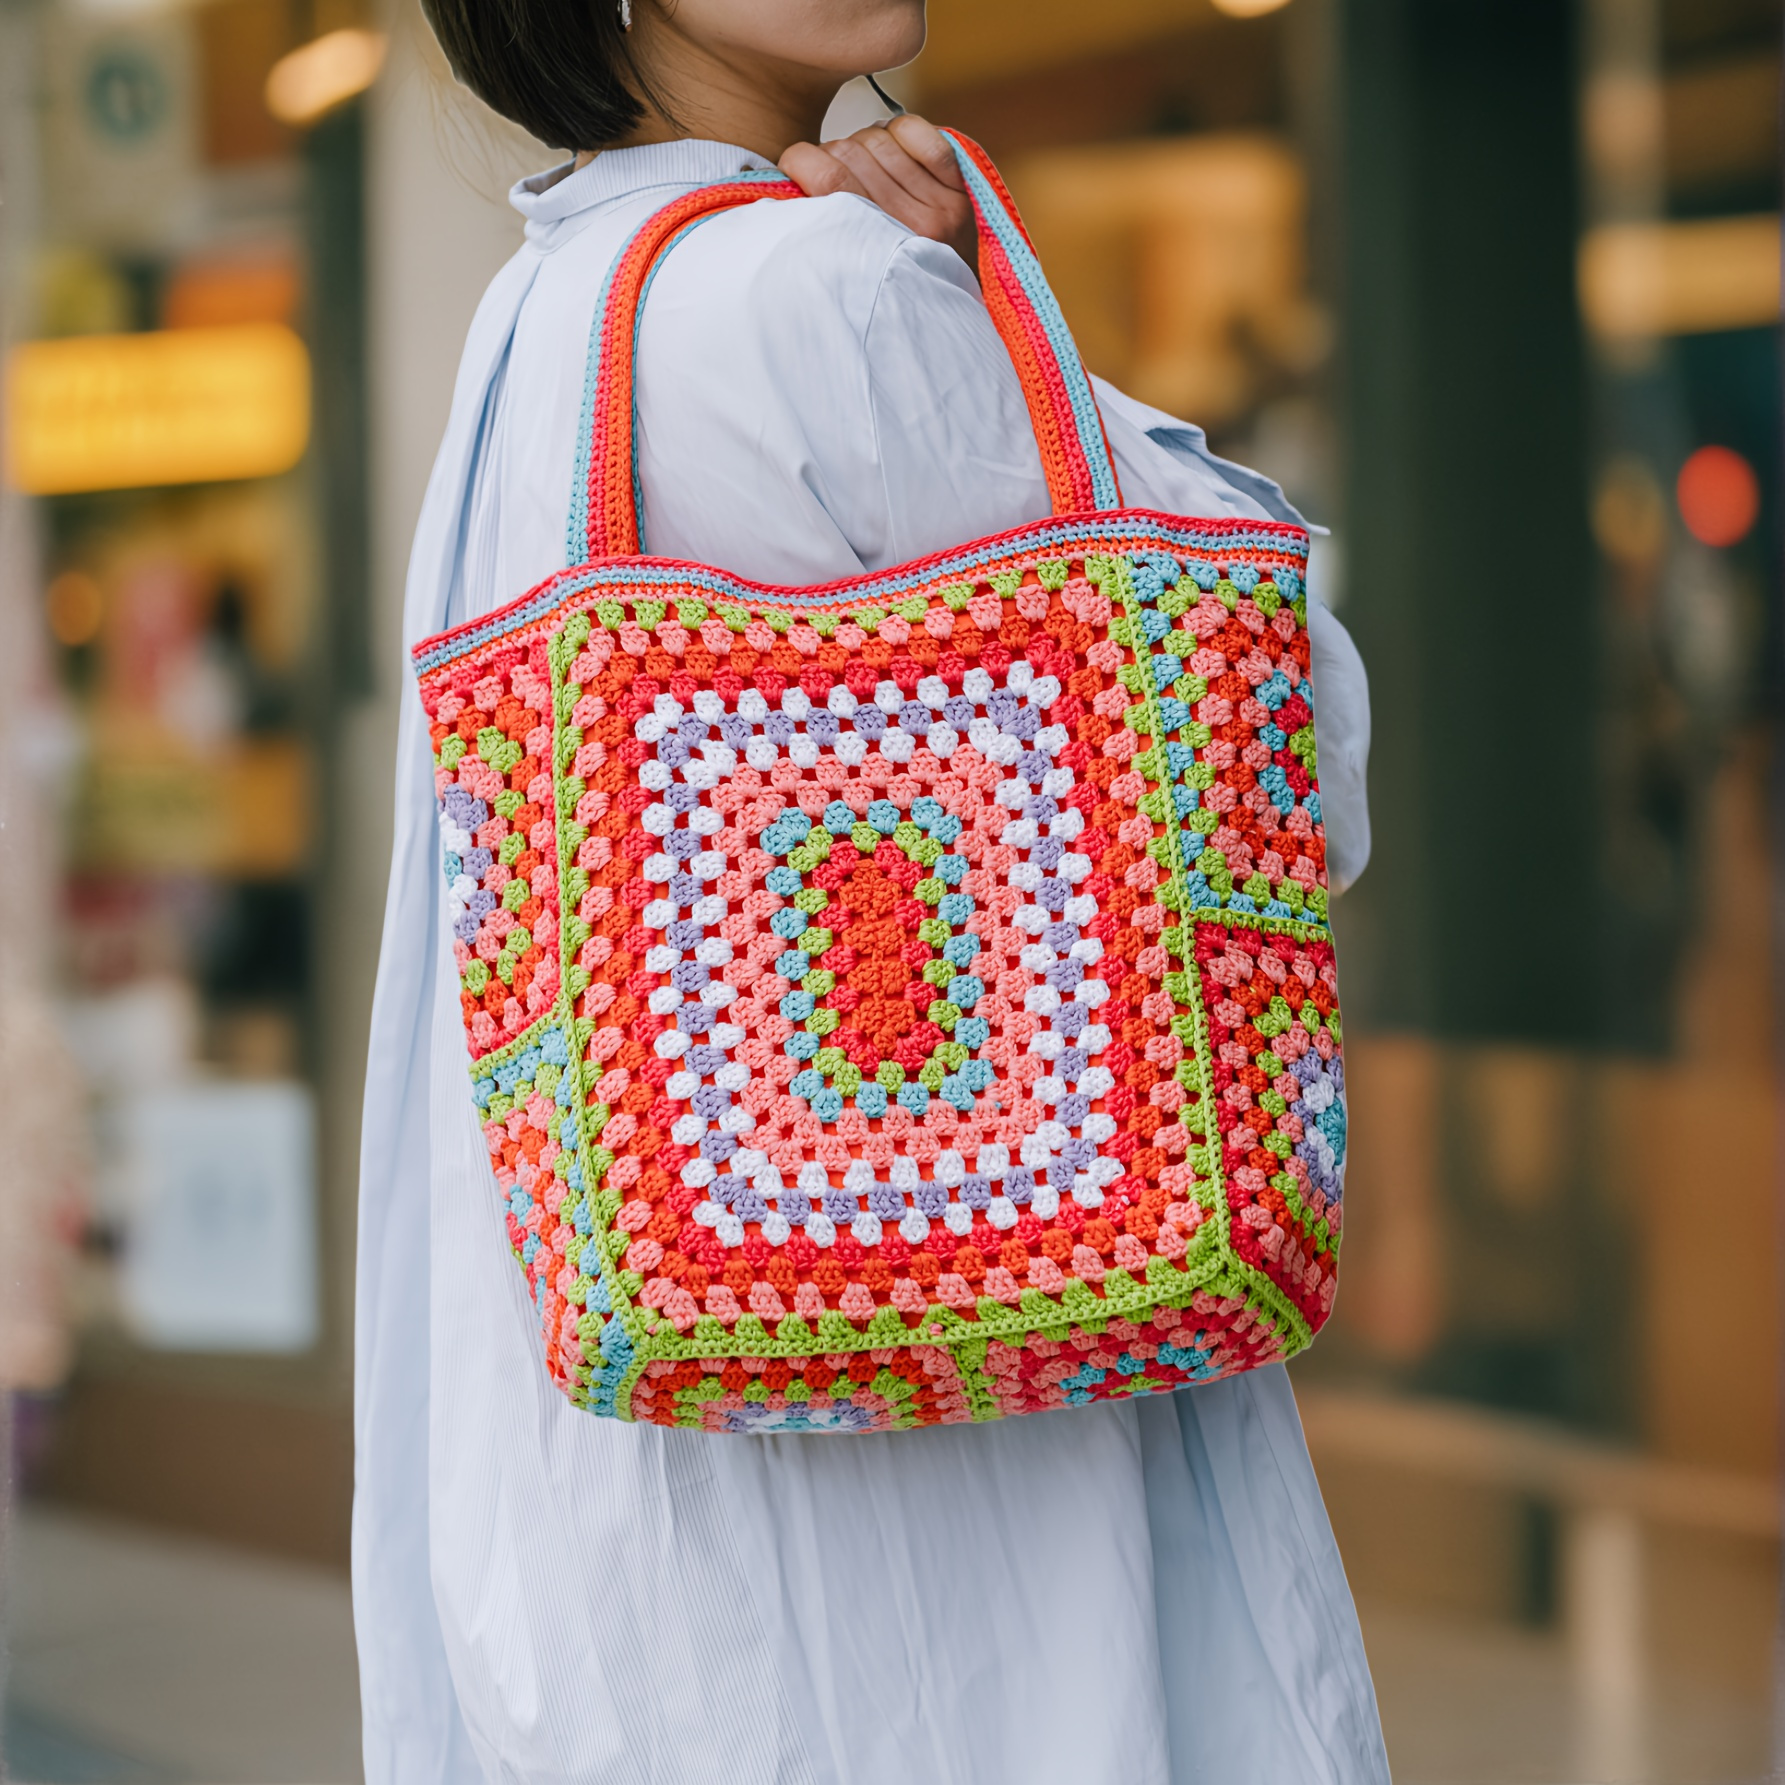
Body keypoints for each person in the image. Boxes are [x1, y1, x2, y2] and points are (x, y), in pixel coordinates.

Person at [355, 1, 1388, 1779]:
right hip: (979, 1512)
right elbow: (1286, 760)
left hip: (662, 1526)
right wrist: (994, 298)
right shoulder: (822, 290)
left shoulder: (548, 310)